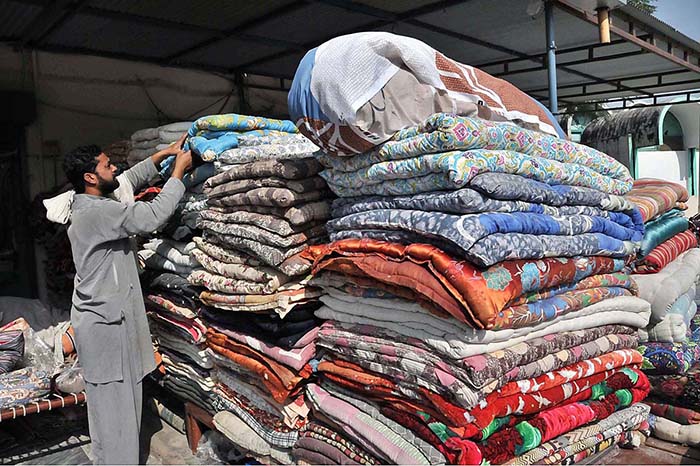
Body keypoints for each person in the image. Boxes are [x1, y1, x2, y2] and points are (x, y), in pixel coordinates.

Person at [62, 140, 192, 465]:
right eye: (107, 165)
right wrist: (177, 174)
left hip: (104, 323)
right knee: (118, 418)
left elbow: (125, 182)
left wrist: (159, 157)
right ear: (91, 178)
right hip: (108, 329)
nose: (114, 168)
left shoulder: (87, 203)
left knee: (109, 417)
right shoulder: (100, 213)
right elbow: (151, 217)